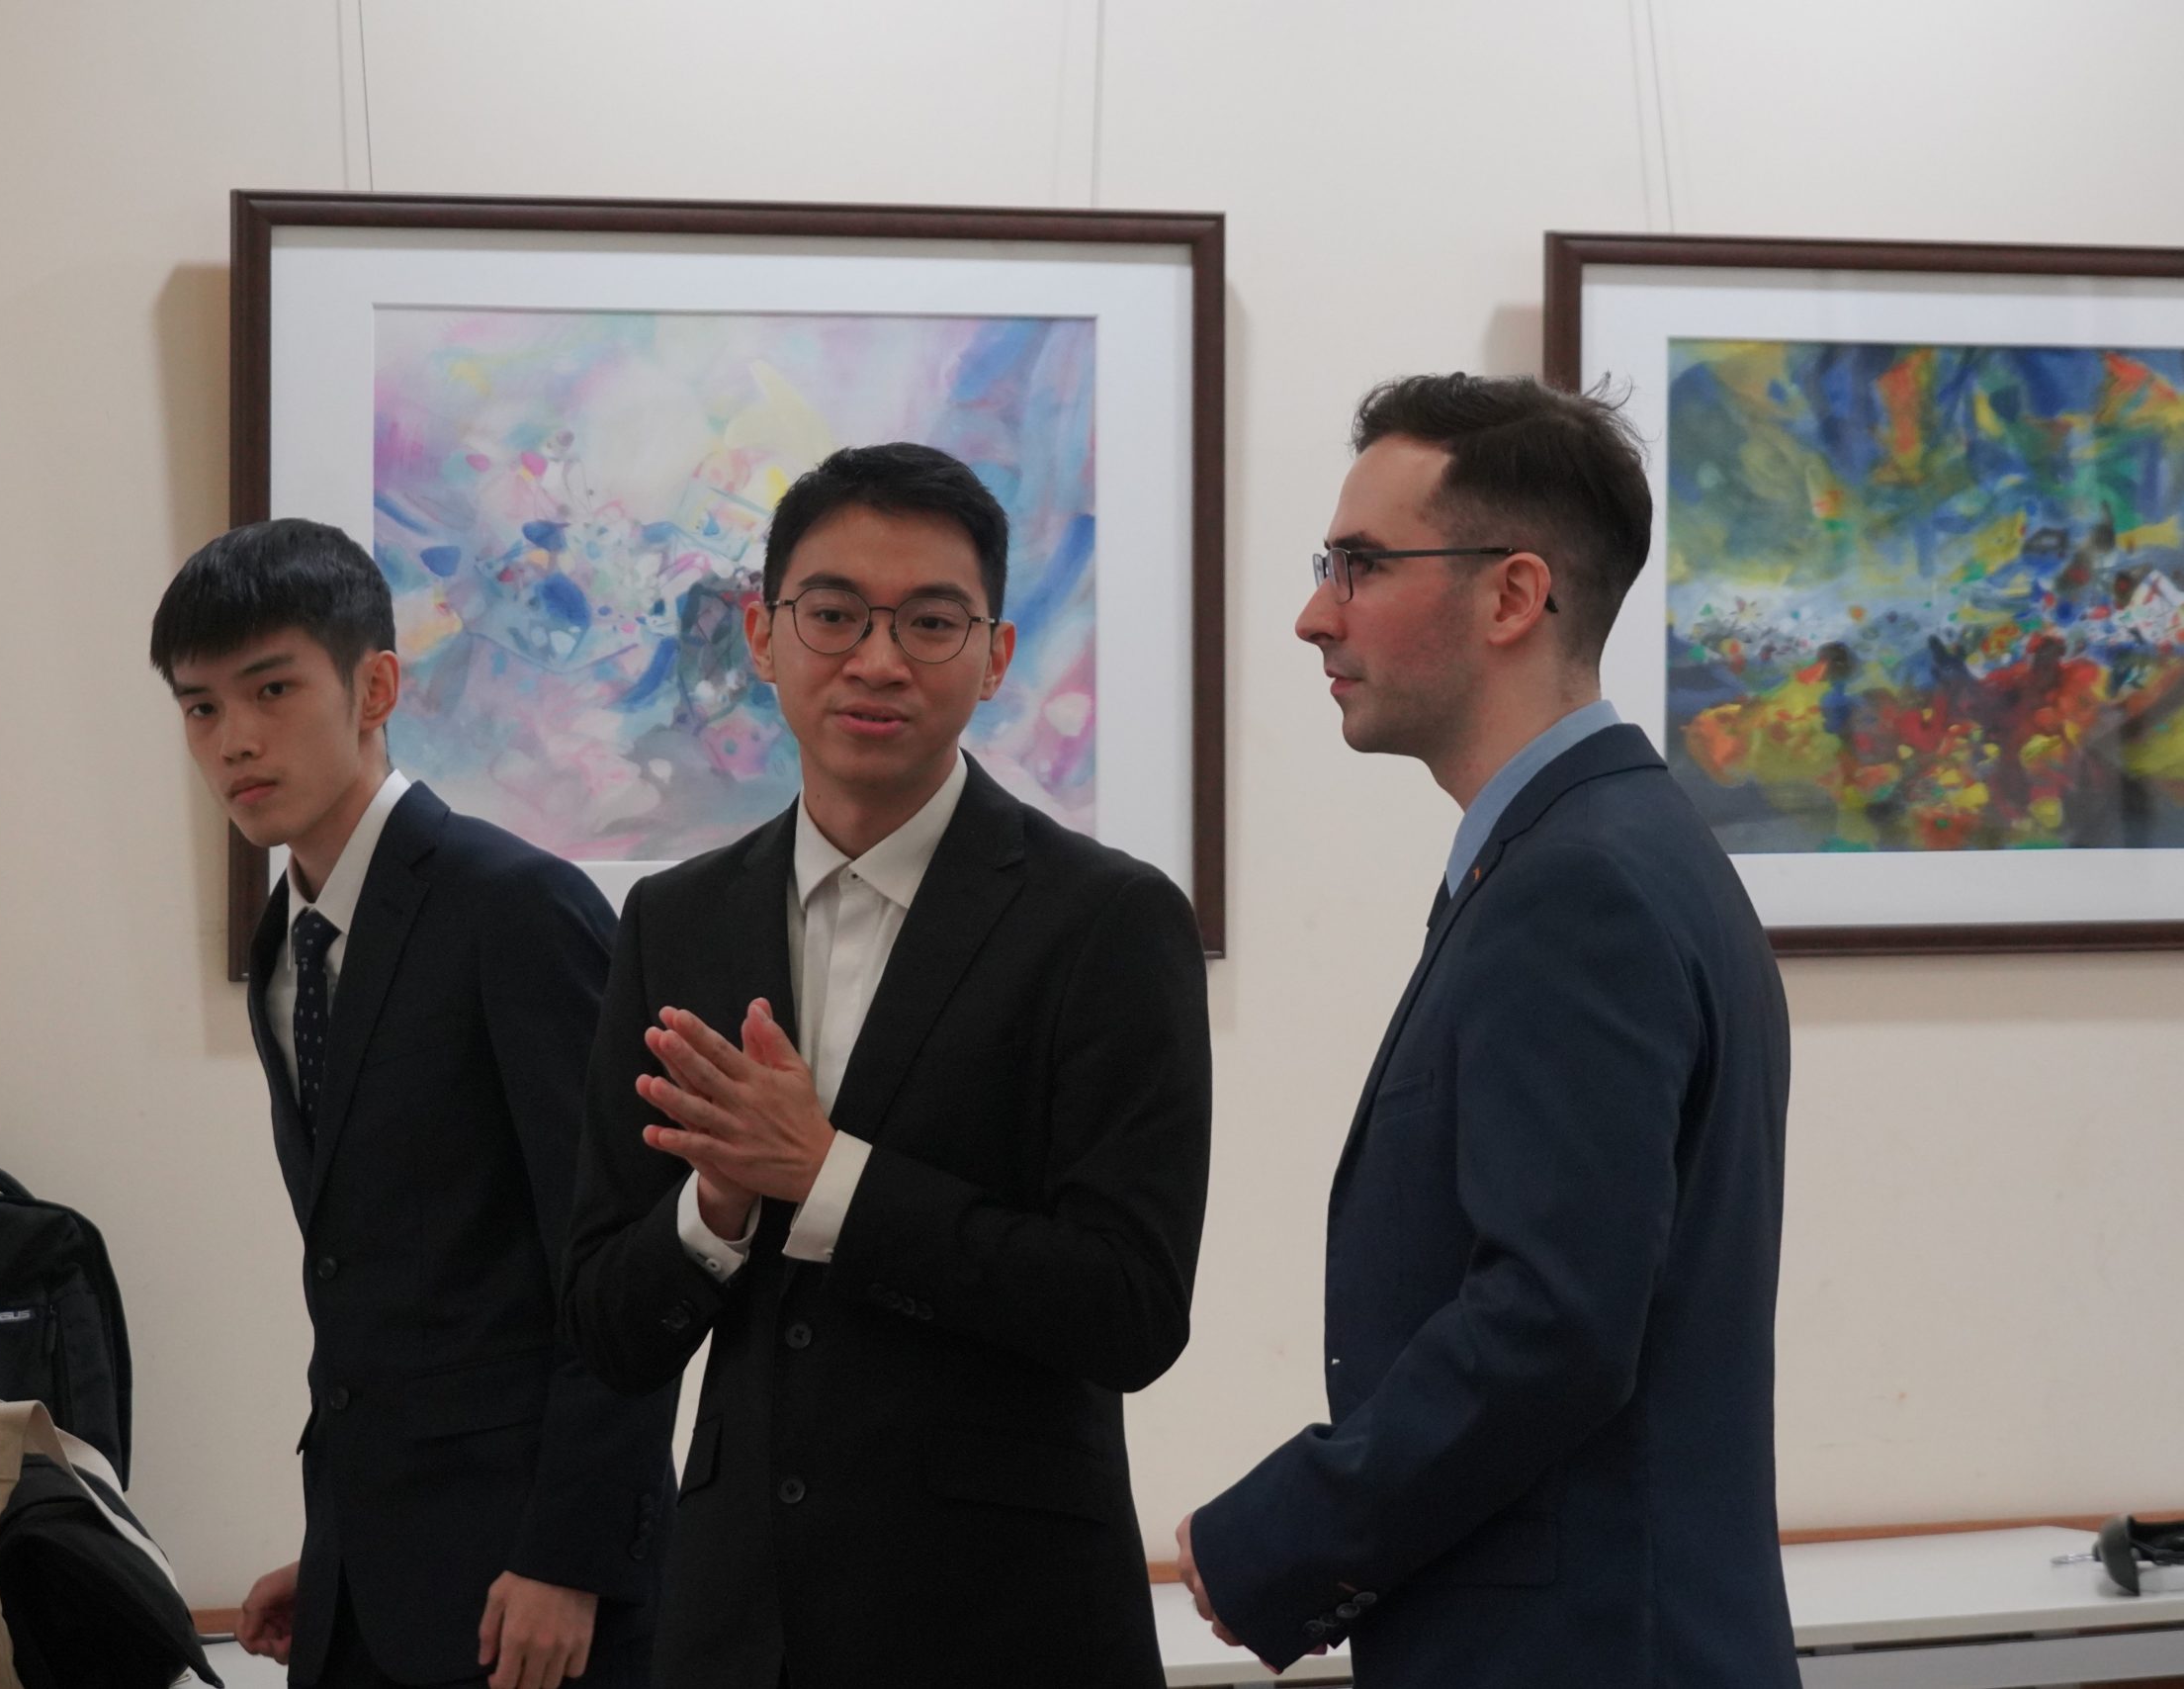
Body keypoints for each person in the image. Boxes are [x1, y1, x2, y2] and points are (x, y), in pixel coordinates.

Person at [1178, 376, 1799, 1688]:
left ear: (1513, 596)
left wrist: (1283, 1536)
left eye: (1360, 566)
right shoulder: (1608, 848)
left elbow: (1549, 1324)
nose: (1314, 615)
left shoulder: (1581, 884)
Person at [559, 443, 1211, 1689]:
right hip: (736, 1629)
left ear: (995, 656)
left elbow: (1130, 1307)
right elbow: (604, 1324)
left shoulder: (1106, 921)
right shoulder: (674, 920)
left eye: (929, 621)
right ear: (763, 635)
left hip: (1007, 1625)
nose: (876, 659)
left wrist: (829, 1178)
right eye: (834, 613)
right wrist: (715, 1206)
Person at [151, 518, 675, 1689]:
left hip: (535, 1594)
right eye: (199, 707)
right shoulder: (287, 941)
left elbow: (624, 1272)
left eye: (271, 689)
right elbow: (387, 1282)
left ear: (377, 687)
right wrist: (342, 1554)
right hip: (375, 1582)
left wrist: (571, 1555)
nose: (234, 739)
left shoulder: (517, 908)